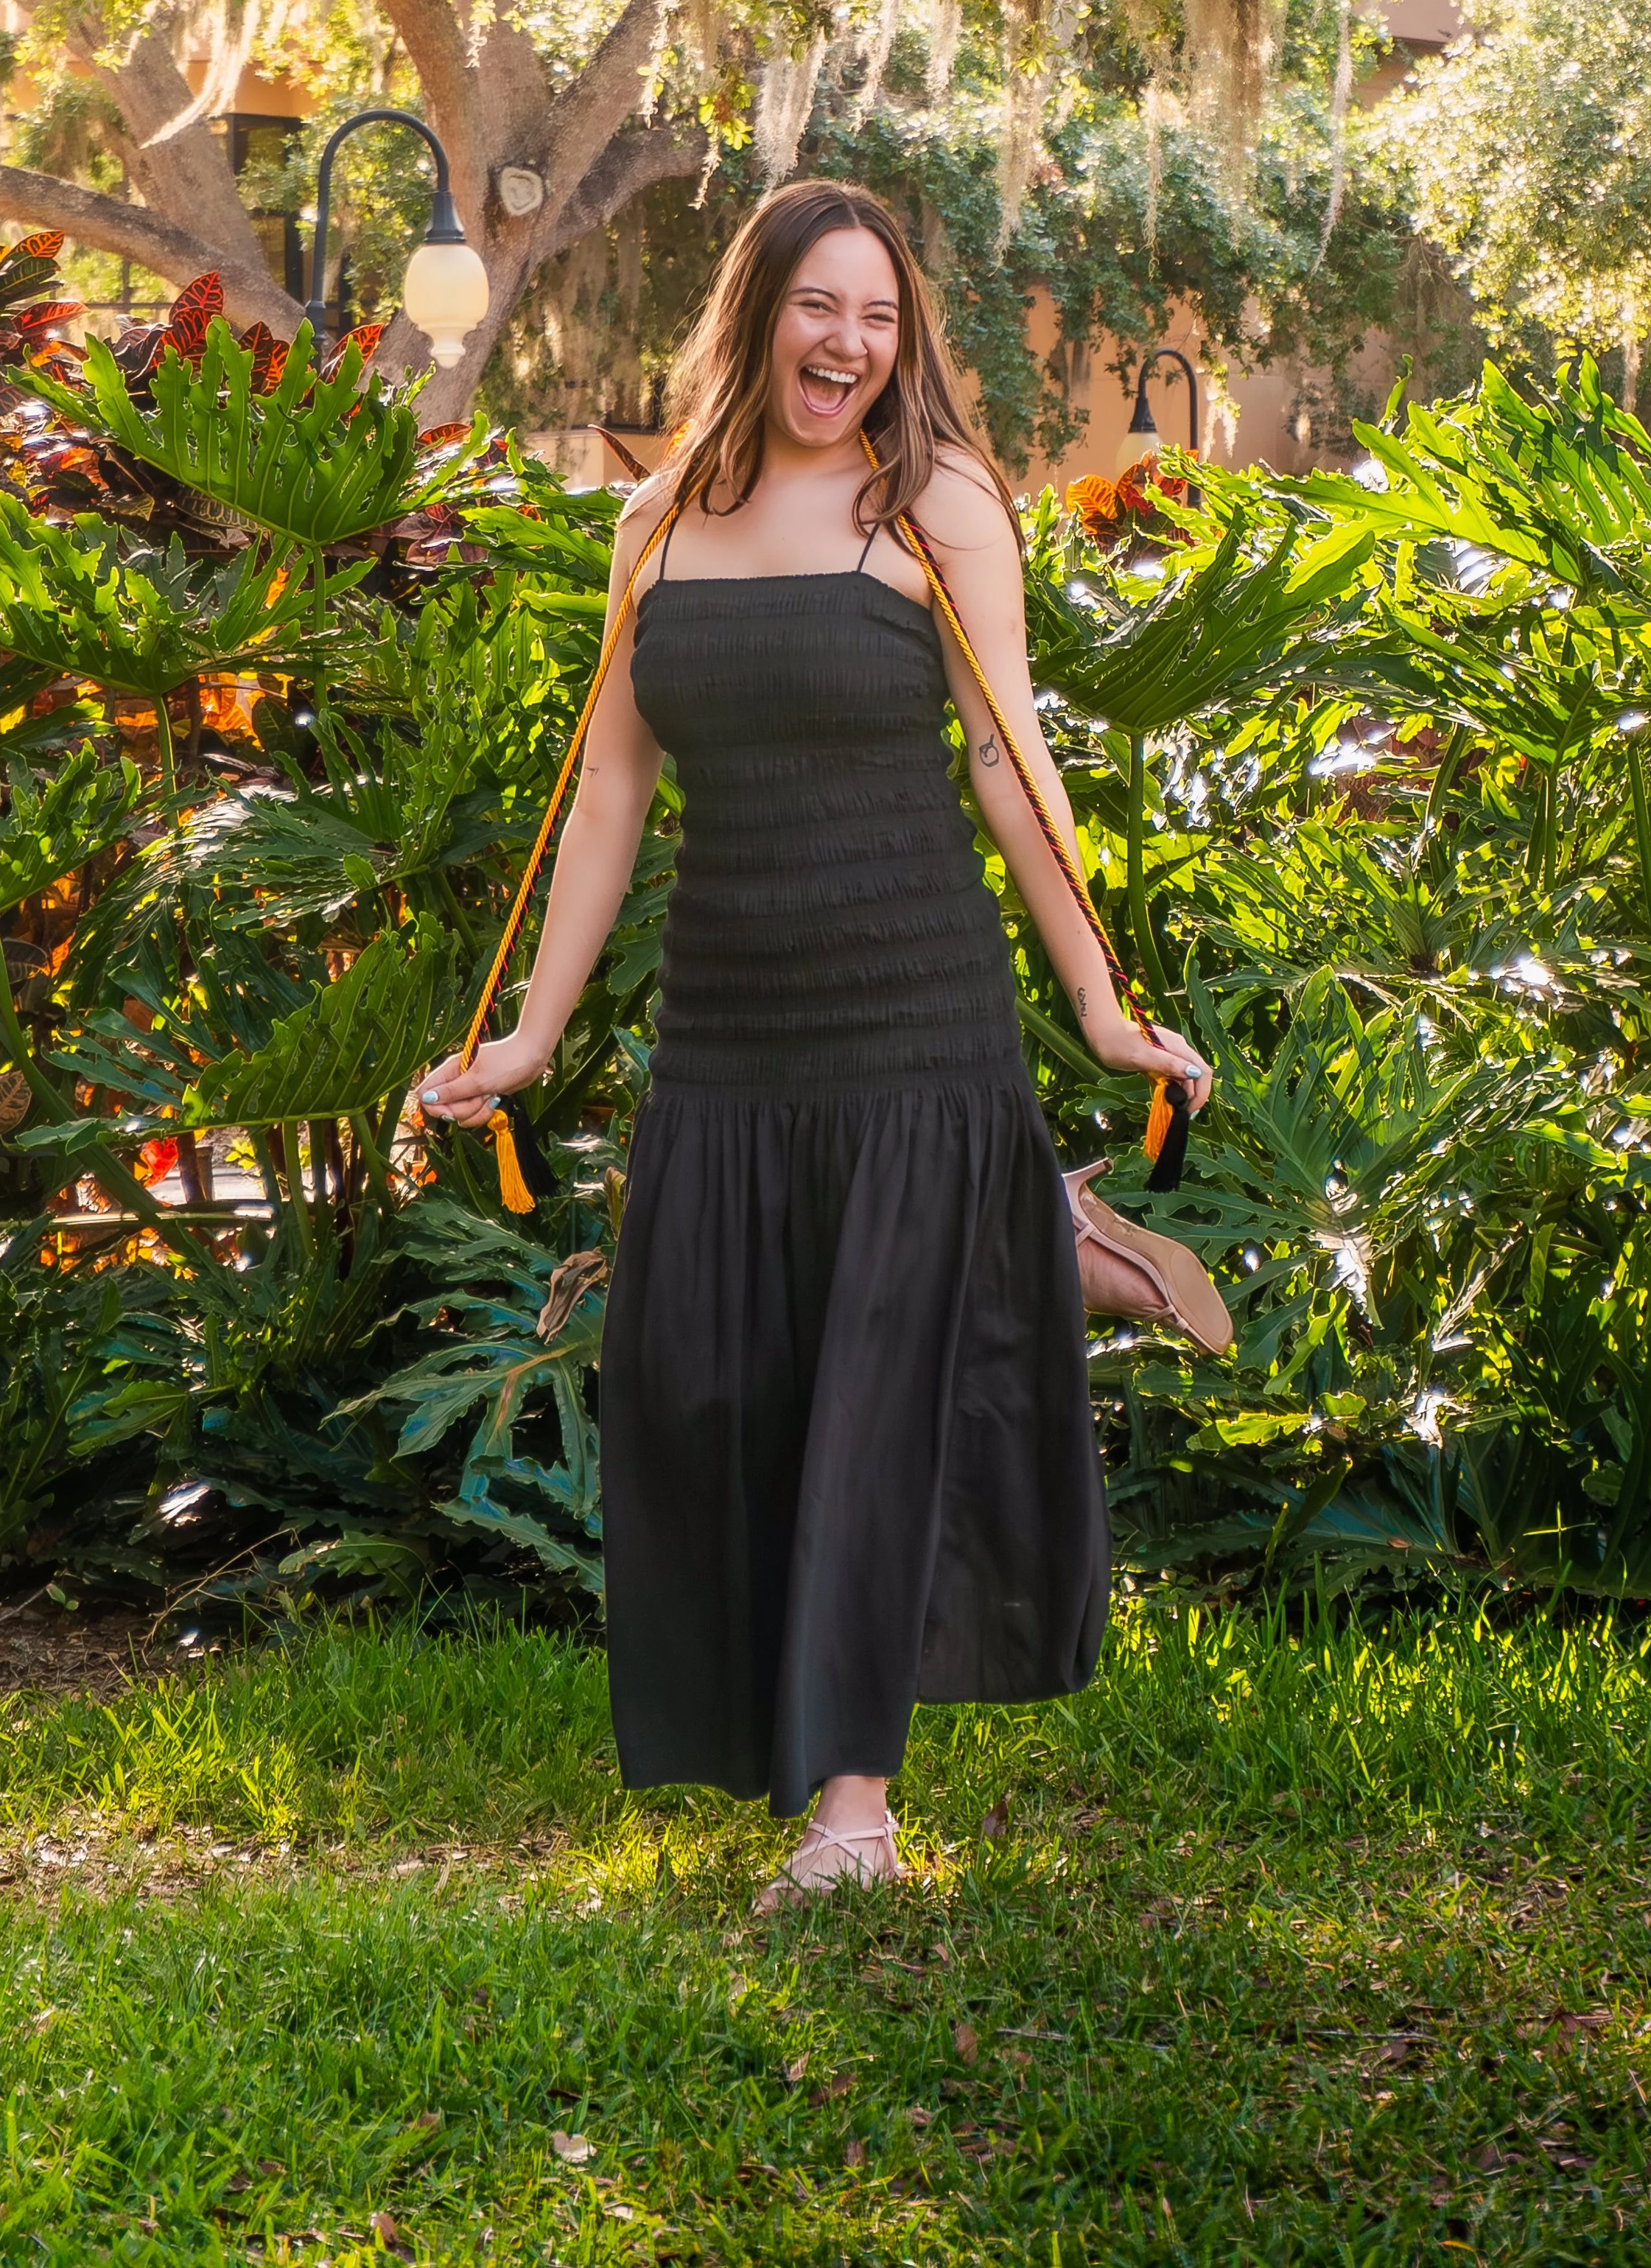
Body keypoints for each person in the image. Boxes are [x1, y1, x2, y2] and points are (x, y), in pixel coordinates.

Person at [416, 180, 1213, 1905]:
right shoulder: (656, 522)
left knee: (864, 1407)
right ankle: (1046, 1234)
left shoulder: (935, 507)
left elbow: (1009, 760)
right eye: (816, 308)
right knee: (715, 1386)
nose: (846, 345)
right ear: (755, 309)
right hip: (730, 1026)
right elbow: (613, 780)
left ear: (899, 339)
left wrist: (1091, 996)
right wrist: (534, 1031)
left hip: (913, 1015)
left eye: (877, 317)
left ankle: (851, 1817)